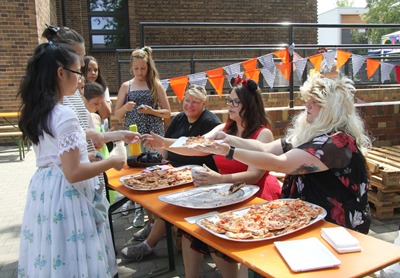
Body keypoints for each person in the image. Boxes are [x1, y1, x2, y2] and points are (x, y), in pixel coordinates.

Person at [198, 73, 372, 235]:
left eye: (315, 102)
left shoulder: (337, 143)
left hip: (336, 229)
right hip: (308, 218)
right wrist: (228, 139)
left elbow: (280, 163)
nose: (307, 105)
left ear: (332, 109)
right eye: (308, 100)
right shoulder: (311, 134)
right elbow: (264, 148)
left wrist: (229, 152)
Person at [142, 77, 281, 277]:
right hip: (226, 193)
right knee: (192, 231)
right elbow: (196, 144)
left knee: (222, 238)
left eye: (235, 102)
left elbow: (253, 175)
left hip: (255, 196)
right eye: (229, 101)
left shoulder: (263, 134)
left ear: (249, 105)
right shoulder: (224, 129)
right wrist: (163, 142)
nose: (230, 106)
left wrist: (219, 179)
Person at [16, 43, 134, 277]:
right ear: (61, 73)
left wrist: (109, 137)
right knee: (76, 255)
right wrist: (114, 159)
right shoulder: (65, 114)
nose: (82, 80)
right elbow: (74, 172)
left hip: (46, 192)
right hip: (68, 195)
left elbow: (58, 152)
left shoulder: (39, 110)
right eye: (79, 72)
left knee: (54, 253)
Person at [120, 85, 221, 262]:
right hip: (173, 171)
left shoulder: (210, 123)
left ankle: (148, 245)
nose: (190, 105)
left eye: (195, 102)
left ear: (204, 103)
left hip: (197, 176)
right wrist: (162, 163)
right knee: (148, 184)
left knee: (170, 202)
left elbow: (200, 149)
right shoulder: (180, 118)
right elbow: (165, 146)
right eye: (187, 100)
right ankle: (153, 225)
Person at [114, 46, 171, 227]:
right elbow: (116, 115)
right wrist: (125, 108)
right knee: (136, 171)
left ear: (149, 67)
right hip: (134, 135)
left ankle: (157, 214)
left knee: (156, 170)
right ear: (131, 68)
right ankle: (140, 210)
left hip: (153, 134)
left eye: (143, 68)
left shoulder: (156, 85)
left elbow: (167, 113)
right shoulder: (126, 86)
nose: (140, 72)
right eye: (136, 68)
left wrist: (151, 110)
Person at [81, 55, 112, 135]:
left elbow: (105, 114)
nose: (93, 73)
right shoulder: (77, 89)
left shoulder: (103, 88)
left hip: (100, 129)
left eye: (95, 70)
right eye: (89, 70)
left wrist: (99, 91)